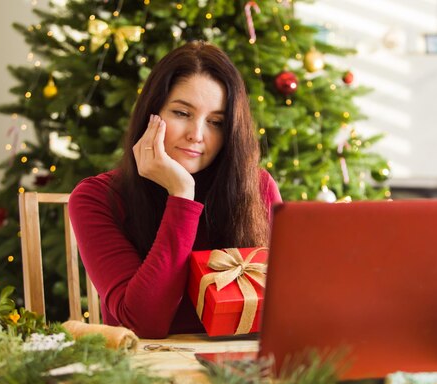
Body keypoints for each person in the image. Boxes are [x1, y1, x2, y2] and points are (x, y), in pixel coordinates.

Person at [69, 41, 282, 338]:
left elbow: (284, 309)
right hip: (143, 372)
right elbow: (141, 323)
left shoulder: (257, 187)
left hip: (239, 371)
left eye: (216, 122)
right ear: (151, 113)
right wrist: (181, 195)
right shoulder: (97, 197)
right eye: (182, 113)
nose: (197, 135)